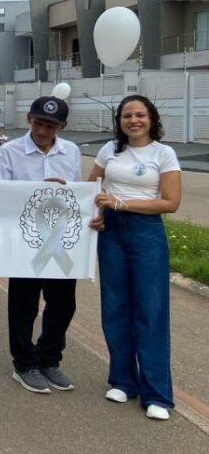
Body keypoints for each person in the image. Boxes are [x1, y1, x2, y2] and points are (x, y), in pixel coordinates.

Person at [87, 95, 181, 421]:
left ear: (151, 118)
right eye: (127, 115)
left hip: (146, 234)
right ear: (120, 120)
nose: (133, 120)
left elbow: (170, 202)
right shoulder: (109, 150)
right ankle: (123, 381)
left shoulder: (163, 154)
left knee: (150, 310)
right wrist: (96, 212)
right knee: (115, 307)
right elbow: (90, 188)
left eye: (140, 114)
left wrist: (120, 203)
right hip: (111, 233)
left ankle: (156, 393)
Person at [0, 96, 81, 395]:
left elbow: (80, 194)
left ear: (62, 126)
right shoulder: (10, 152)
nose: (43, 130)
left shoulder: (71, 152)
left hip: (61, 242)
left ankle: (49, 358)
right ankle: (24, 363)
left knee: (62, 303)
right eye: (39, 122)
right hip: (25, 241)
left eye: (51, 125)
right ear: (29, 119)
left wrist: (68, 192)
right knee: (23, 304)